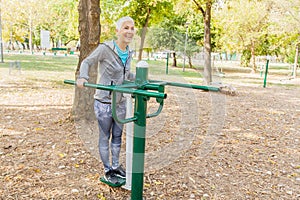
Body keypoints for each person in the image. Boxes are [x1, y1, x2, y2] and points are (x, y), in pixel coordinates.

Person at [76, 16, 135, 184]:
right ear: (118, 31)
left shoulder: (129, 52)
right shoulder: (105, 48)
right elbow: (87, 62)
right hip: (104, 102)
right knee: (105, 137)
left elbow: (125, 75)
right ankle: (108, 169)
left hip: (120, 102)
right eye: (126, 28)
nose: (129, 31)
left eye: (132, 28)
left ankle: (116, 166)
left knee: (118, 136)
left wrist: (141, 79)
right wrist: (83, 77)